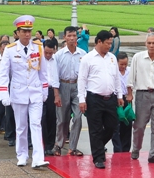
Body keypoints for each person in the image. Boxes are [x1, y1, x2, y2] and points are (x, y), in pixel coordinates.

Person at [0, 15, 49, 168]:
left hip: (35, 92)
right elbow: (3, 73)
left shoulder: (38, 47)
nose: (27, 34)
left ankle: (38, 158)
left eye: (29, 31)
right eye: (24, 31)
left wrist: (44, 90)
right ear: (17, 32)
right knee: (21, 126)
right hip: (18, 92)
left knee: (36, 124)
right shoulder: (10, 50)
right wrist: (3, 94)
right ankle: (22, 155)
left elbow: (43, 72)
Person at [79, 30, 124, 169]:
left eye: (111, 43)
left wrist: (119, 95)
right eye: (107, 43)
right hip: (94, 99)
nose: (109, 46)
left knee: (112, 127)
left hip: (110, 98)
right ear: (99, 42)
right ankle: (98, 157)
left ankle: (98, 146)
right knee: (95, 130)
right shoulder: (88, 58)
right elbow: (82, 79)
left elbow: (116, 78)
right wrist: (82, 99)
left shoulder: (111, 58)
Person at [127, 33, 154, 164]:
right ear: (145, 44)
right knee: (139, 126)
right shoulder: (138, 58)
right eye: (149, 43)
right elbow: (131, 79)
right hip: (142, 94)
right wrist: (130, 93)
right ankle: (136, 149)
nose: (152, 45)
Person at [53, 26, 85, 156]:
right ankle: (59, 144)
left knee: (78, 117)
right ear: (65, 37)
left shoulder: (83, 54)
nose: (72, 38)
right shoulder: (59, 55)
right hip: (63, 85)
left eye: (74, 36)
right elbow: (54, 76)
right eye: (69, 36)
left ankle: (73, 147)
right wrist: (56, 94)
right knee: (62, 118)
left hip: (78, 86)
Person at [42, 38, 60, 156]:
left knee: (52, 118)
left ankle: (50, 145)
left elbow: (56, 78)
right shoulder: (39, 59)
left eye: (50, 53)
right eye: (46, 52)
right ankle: (43, 144)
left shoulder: (56, 60)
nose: (48, 55)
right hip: (39, 91)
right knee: (42, 119)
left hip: (51, 91)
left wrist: (56, 95)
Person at [113, 52, 132, 152]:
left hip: (127, 99)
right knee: (116, 125)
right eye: (121, 64)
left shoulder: (130, 71)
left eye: (125, 64)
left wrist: (130, 94)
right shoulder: (113, 71)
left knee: (127, 124)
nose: (123, 66)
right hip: (116, 100)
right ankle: (118, 149)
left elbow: (132, 84)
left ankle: (126, 149)